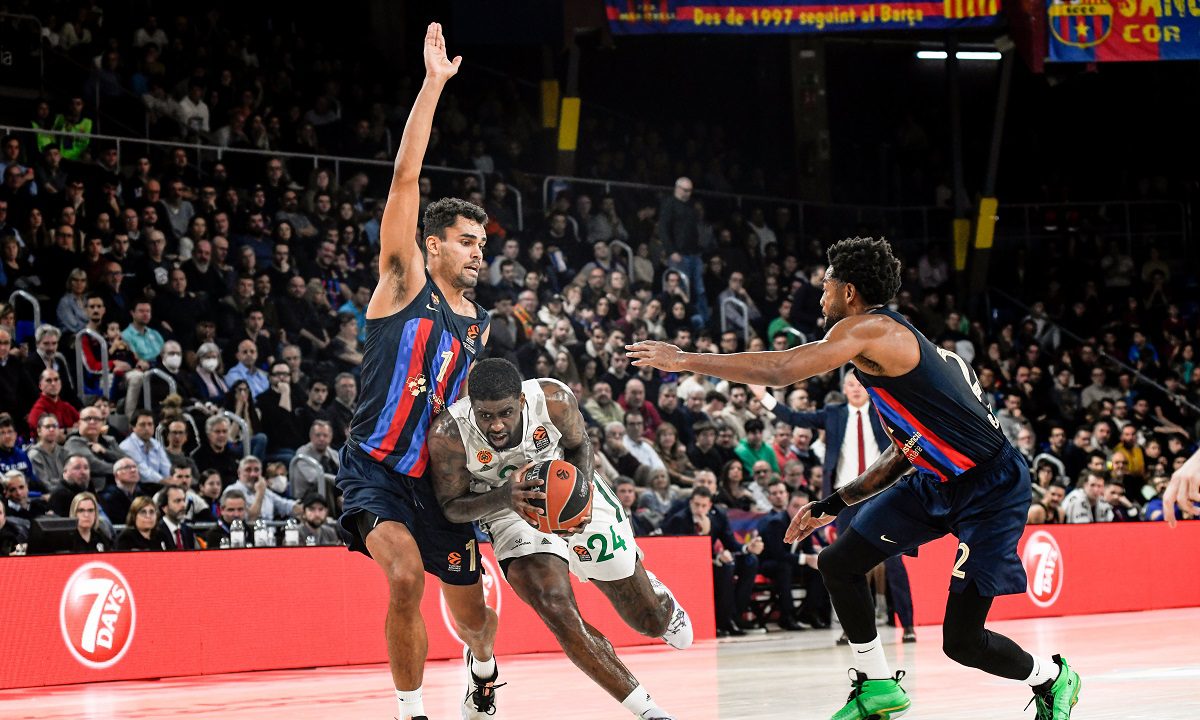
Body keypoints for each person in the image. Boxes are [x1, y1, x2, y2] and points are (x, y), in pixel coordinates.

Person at [628, 236, 1081, 719]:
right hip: (935, 480)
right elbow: (905, 452)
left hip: (991, 489)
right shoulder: (888, 350)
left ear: (848, 291)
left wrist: (685, 360)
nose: (819, 293)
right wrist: (832, 505)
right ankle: (878, 684)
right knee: (838, 563)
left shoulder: (872, 330)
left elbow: (782, 370)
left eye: (825, 283)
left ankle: (1052, 678)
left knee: (963, 641)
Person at [332, 24, 499, 720]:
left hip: (441, 483)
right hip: (375, 469)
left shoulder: (479, 323)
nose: (478, 252)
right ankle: (411, 711)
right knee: (404, 578)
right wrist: (433, 85)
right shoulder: (402, 283)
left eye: (482, 243)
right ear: (431, 246)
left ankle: (483, 669)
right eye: (465, 241)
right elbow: (405, 178)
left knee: (475, 620)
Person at [428, 359, 689, 720]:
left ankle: (659, 597)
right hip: (505, 508)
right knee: (555, 606)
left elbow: (581, 445)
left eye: (505, 413)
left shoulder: (554, 399)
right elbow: (451, 507)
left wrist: (579, 502)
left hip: (568, 484)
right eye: (485, 416)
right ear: (472, 406)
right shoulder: (449, 435)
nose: (496, 425)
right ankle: (649, 711)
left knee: (650, 621)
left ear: (521, 401)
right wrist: (505, 497)